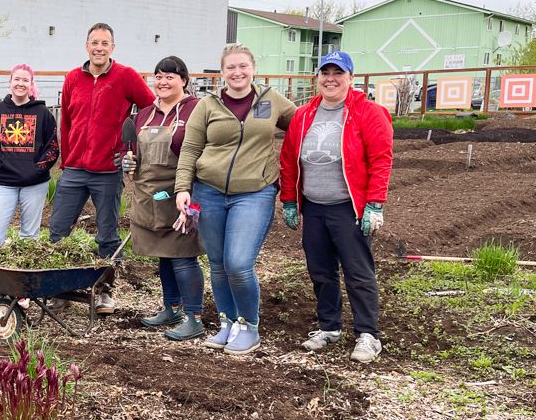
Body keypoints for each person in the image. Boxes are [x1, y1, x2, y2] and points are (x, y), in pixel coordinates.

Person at [174, 44, 296, 356]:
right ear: (223, 72)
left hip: (255, 192)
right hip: (209, 191)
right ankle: (227, 323)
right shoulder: (208, 105)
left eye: (243, 66)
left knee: (239, 263)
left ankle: (249, 326)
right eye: (231, 67)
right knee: (217, 262)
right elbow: (190, 148)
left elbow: (301, 126)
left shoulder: (271, 100)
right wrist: (182, 188)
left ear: (253, 68)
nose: (237, 73)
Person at [279, 50, 393, 363]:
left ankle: (368, 334)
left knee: (358, 272)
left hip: (348, 207)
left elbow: (381, 159)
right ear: (317, 78)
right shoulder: (304, 115)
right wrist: (289, 199)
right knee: (320, 271)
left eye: (338, 73)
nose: (331, 79)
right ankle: (329, 327)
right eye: (325, 73)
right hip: (314, 206)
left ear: (350, 78)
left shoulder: (367, 112)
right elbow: (289, 159)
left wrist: (374, 204)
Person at [49, 22, 156, 314]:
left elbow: (149, 109)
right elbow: (67, 122)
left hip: (107, 170)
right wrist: (67, 159)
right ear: (87, 46)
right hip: (74, 170)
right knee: (58, 229)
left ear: (112, 48)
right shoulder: (73, 78)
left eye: (105, 43)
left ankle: (105, 290)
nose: (99, 48)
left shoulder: (125, 76)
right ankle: (60, 289)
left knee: (107, 233)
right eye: (94, 43)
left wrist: (128, 149)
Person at [122, 56, 206, 341]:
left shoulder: (197, 109)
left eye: (170, 76)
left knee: (183, 256)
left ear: (184, 79)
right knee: (164, 255)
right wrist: (127, 162)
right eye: (158, 76)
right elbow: (132, 149)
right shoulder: (144, 114)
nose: (163, 81)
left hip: (183, 191)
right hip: (150, 195)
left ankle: (194, 316)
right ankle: (171, 307)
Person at [0, 64, 59, 314]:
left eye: (25, 80)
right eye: (16, 79)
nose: (20, 84)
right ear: (10, 82)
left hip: (34, 185)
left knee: (29, 238)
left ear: (31, 84)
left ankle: (22, 291)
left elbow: (52, 149)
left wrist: (35, 170)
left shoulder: (43, 114)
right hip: (3, 184)